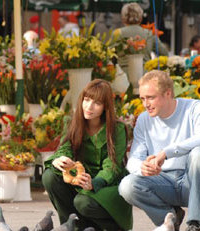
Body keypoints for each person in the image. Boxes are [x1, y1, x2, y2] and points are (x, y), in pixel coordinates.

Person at [118, 70, 200, 231]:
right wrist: (142, 167)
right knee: (127, 186)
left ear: (168, 93)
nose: (146, 104)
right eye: (142, 99)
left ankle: (195, 224)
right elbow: (134, 159)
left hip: (194, 181)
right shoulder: (144, 120)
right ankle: (170, 218)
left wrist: (166, 152)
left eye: (151, 98)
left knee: (199, 153)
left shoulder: (193, 107)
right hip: (164, 181)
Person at [42, 79, 133, 231]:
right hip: (80, 181)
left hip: (107, 185)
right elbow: (65, 148)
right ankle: (71, 226)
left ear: (105, 107)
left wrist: (95, 182)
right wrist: (60, 159)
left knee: (82, 202)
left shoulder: (117, 129)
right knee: (49, 176)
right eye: (86, 100)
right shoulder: (73, 122)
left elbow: (112, 165)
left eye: (96, 103)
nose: (89, 107)